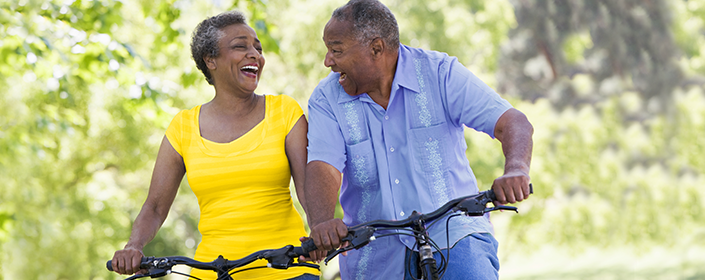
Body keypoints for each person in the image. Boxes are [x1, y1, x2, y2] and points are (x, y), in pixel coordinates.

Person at [302, 0, 534, 279]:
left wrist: (517, 170)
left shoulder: (440, 73)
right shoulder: (327, 99)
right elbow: (323, 166)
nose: (328, 61)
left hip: (455, 235)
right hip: (375, 251)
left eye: (336, 50)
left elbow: (511, 123)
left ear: (376, 48)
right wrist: (323, 221)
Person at [110, 11, 318, 280]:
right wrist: (133, 246)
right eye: (240, 46)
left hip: (286, 267)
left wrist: (319, 230)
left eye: (258, 47)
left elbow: (308, 189)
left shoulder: (284, 111)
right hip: (213, 272)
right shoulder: (183, 126)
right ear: (211, 60)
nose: (255, 53)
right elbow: (155, 207)